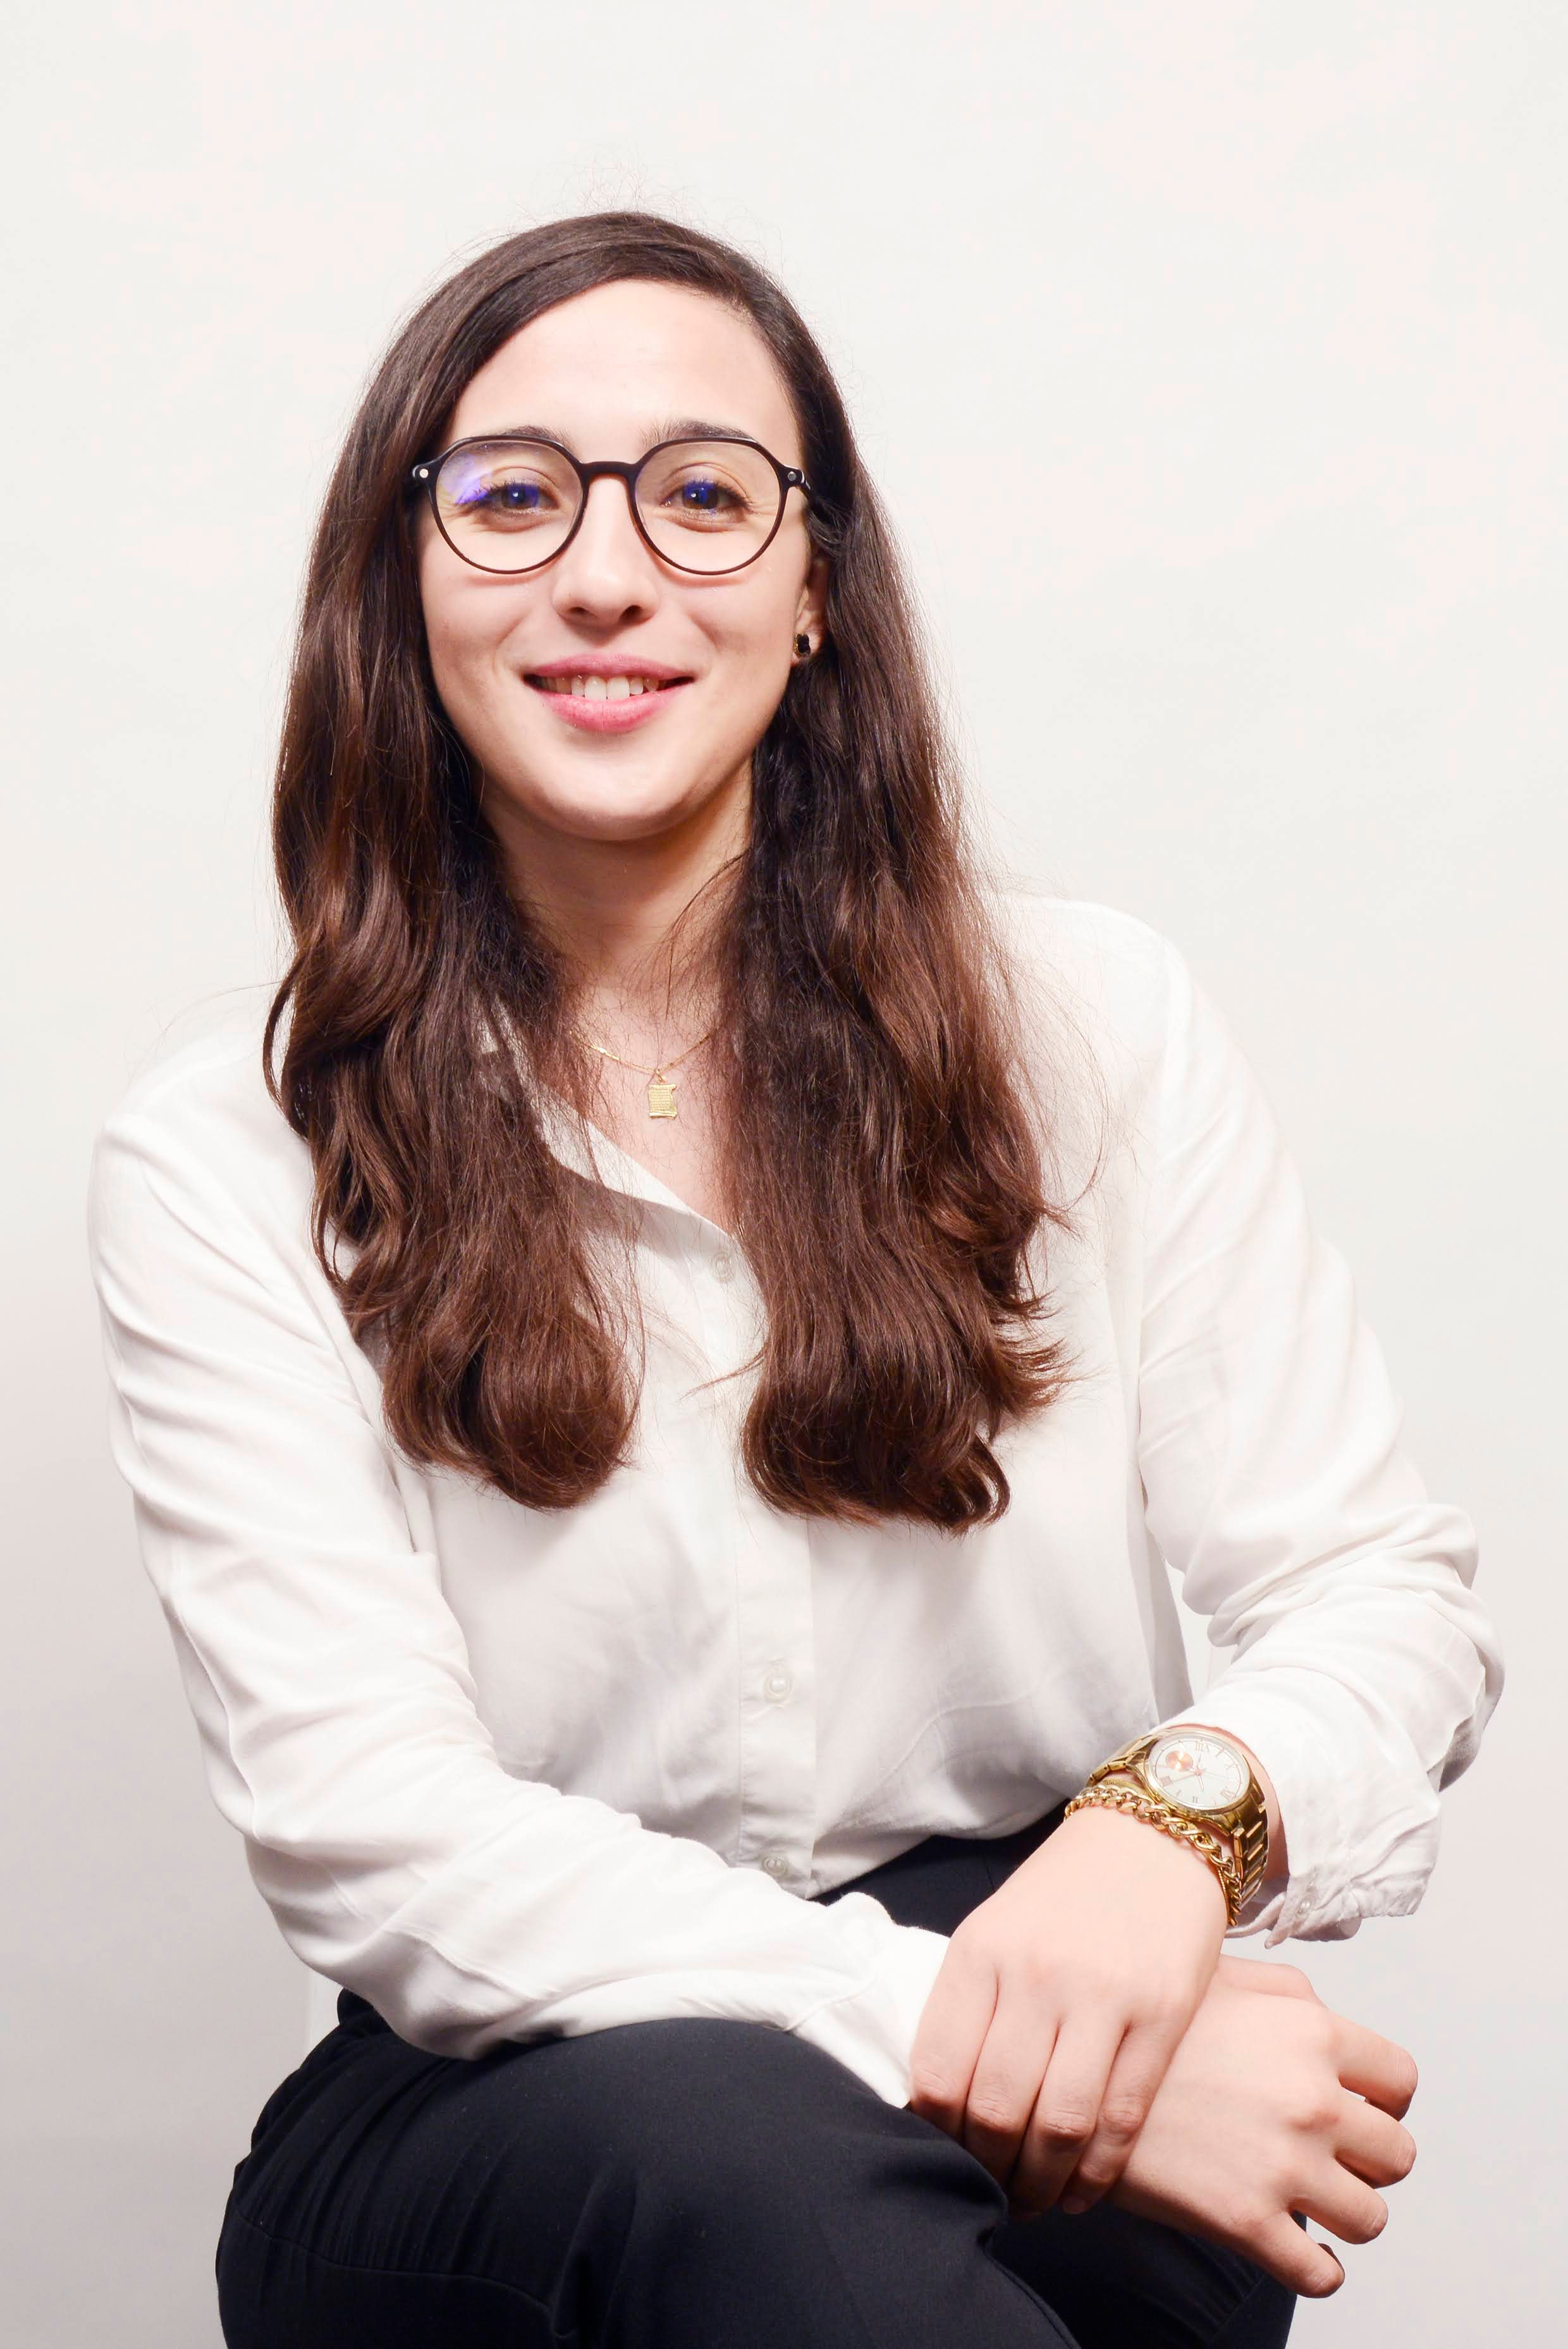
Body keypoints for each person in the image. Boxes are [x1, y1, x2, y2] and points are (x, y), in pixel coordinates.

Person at [85, 212, 1502, 2349]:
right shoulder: (226, 1152)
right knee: (748, 2163)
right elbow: (381, 1836)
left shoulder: (1091, 1029)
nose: (606, 571)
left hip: (1063, 1976)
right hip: (504, 2084)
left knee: (961, 2229)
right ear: (405, 579)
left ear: (816, 583)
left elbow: (1378, 1594)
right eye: (512, 496)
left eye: (702, 492)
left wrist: (1165, 1840)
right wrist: (945, 2019)